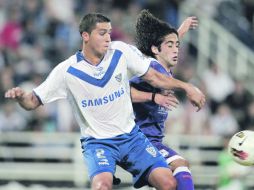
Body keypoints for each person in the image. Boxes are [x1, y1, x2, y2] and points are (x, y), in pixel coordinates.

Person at [5, 12, 205, 190]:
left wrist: (188, 87)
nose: (108, 38)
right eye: (102, 33)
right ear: (85, 36)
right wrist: (21, 97)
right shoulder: (66, 71)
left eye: (109, 32)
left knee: (168, 183)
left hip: (132, 137)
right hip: (99, 142)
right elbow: (32, 101)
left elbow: (155, 74)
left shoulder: (120, 52)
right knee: (102, 186)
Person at [130, 10, 200, 190]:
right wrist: (153, 97)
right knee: (180, 165)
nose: (176, 49)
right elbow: (123, 91)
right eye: (171, 45)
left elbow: (165, 47)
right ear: (155, 49)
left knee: (169, 182)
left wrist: (180, 31)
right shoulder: (152, 69)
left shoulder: (164, 67)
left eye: (177, 45)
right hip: (140, 140)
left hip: (154, 140)